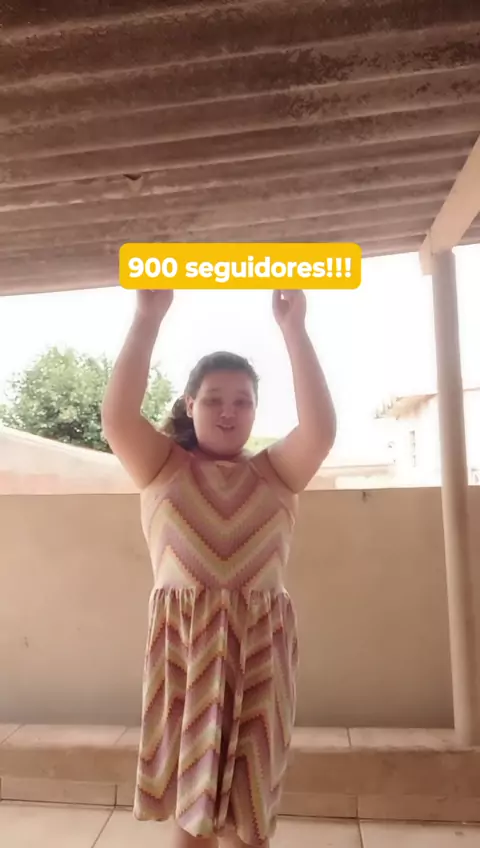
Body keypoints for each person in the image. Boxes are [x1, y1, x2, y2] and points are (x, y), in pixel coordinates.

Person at [101, 289, 336, 848]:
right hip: (188, 652)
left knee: (249, 819)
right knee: (193, 818)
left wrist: (295, 330)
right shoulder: (161, 466)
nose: (228, 411)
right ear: (189, 405)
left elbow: (320, 432)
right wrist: (147, 317)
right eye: (213, 400)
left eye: (242, 401)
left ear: (255, 410)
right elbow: (116, 417)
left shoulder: (277, 473)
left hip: (259, 654)